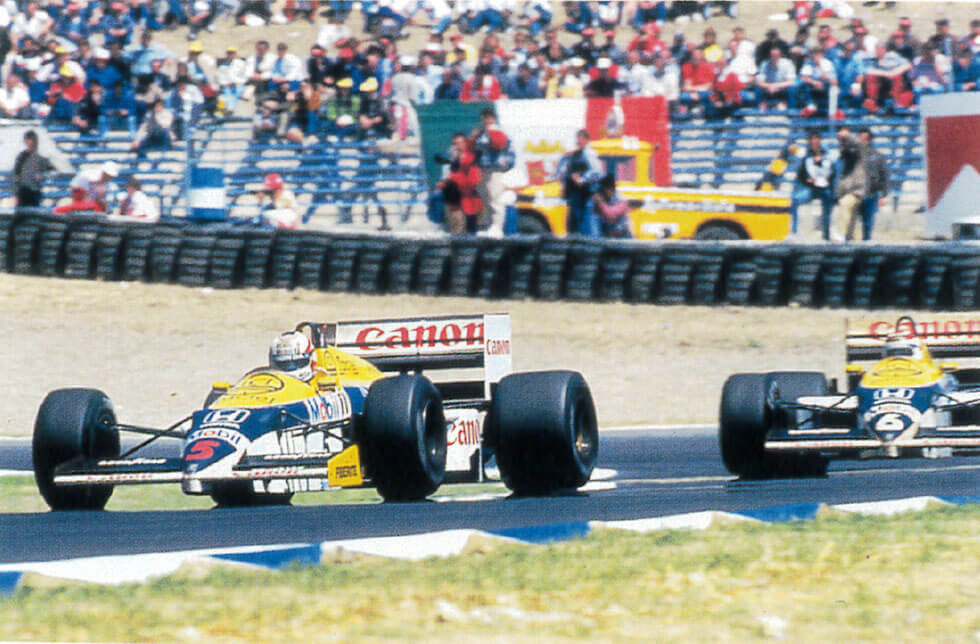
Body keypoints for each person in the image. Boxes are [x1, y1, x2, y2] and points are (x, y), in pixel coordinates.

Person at [472, 107, 514, 235]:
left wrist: (505, 166)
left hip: (495, 170)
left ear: (494, 118)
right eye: (485, 117)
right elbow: (475, 150)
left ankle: (497, 227)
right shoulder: (480, 133)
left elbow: (502, 146)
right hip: (482, 169)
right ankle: (488, 225)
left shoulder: (499, 131)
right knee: (485, 199)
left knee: (496, 199)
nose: (488, 120)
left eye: (490, 117)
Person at [557, 129, 603, 238]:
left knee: (587, 229)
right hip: (575, 197)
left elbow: (597, 172)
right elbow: (563, 172)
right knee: (573, 228)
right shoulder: (575, 154)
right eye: (578, 138)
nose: (579, 141)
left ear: (587, 140)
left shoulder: (589, 153)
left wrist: (582, 179)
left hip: (586, 197)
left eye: (581, 138)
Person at [790, 131, 835, 239]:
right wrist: (807, 180)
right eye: (812, 139)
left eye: (816, 139)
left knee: (828, 199)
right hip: (810, 188)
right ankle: (794, 230)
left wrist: (827, 180)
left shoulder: (827, 154)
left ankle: (826, 232)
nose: (814, 141)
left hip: (824, 188)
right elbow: (801, 173)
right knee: (795, 200)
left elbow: (832, 172)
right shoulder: (805, 155)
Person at [835, 126, 869, 242]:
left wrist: (847, 135)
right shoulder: (844, 155)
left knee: (844, 204)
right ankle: (851, 240)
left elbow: (859, 144)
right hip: (845, 190)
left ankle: (840, 233)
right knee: (851, 219)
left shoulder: (861, 152)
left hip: (857, 190)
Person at [860, 128, 888, 242]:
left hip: (871, 192)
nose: (863, 141)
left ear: (870, 140)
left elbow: (884, 176)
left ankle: (866, 241)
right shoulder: (853, 156)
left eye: (865, 139)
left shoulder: (878, 156)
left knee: (868, 220)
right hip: (856, 192)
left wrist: (883, 195)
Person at [13, 130, 54, 209]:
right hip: (23, 190)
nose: (29, 142)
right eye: (27, 140)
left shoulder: (41, 157)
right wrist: (16, 192)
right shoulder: (22, 156)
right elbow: (16, 174)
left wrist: (42, 176)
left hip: (35, 190)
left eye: (31, 140)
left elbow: (52, 172)